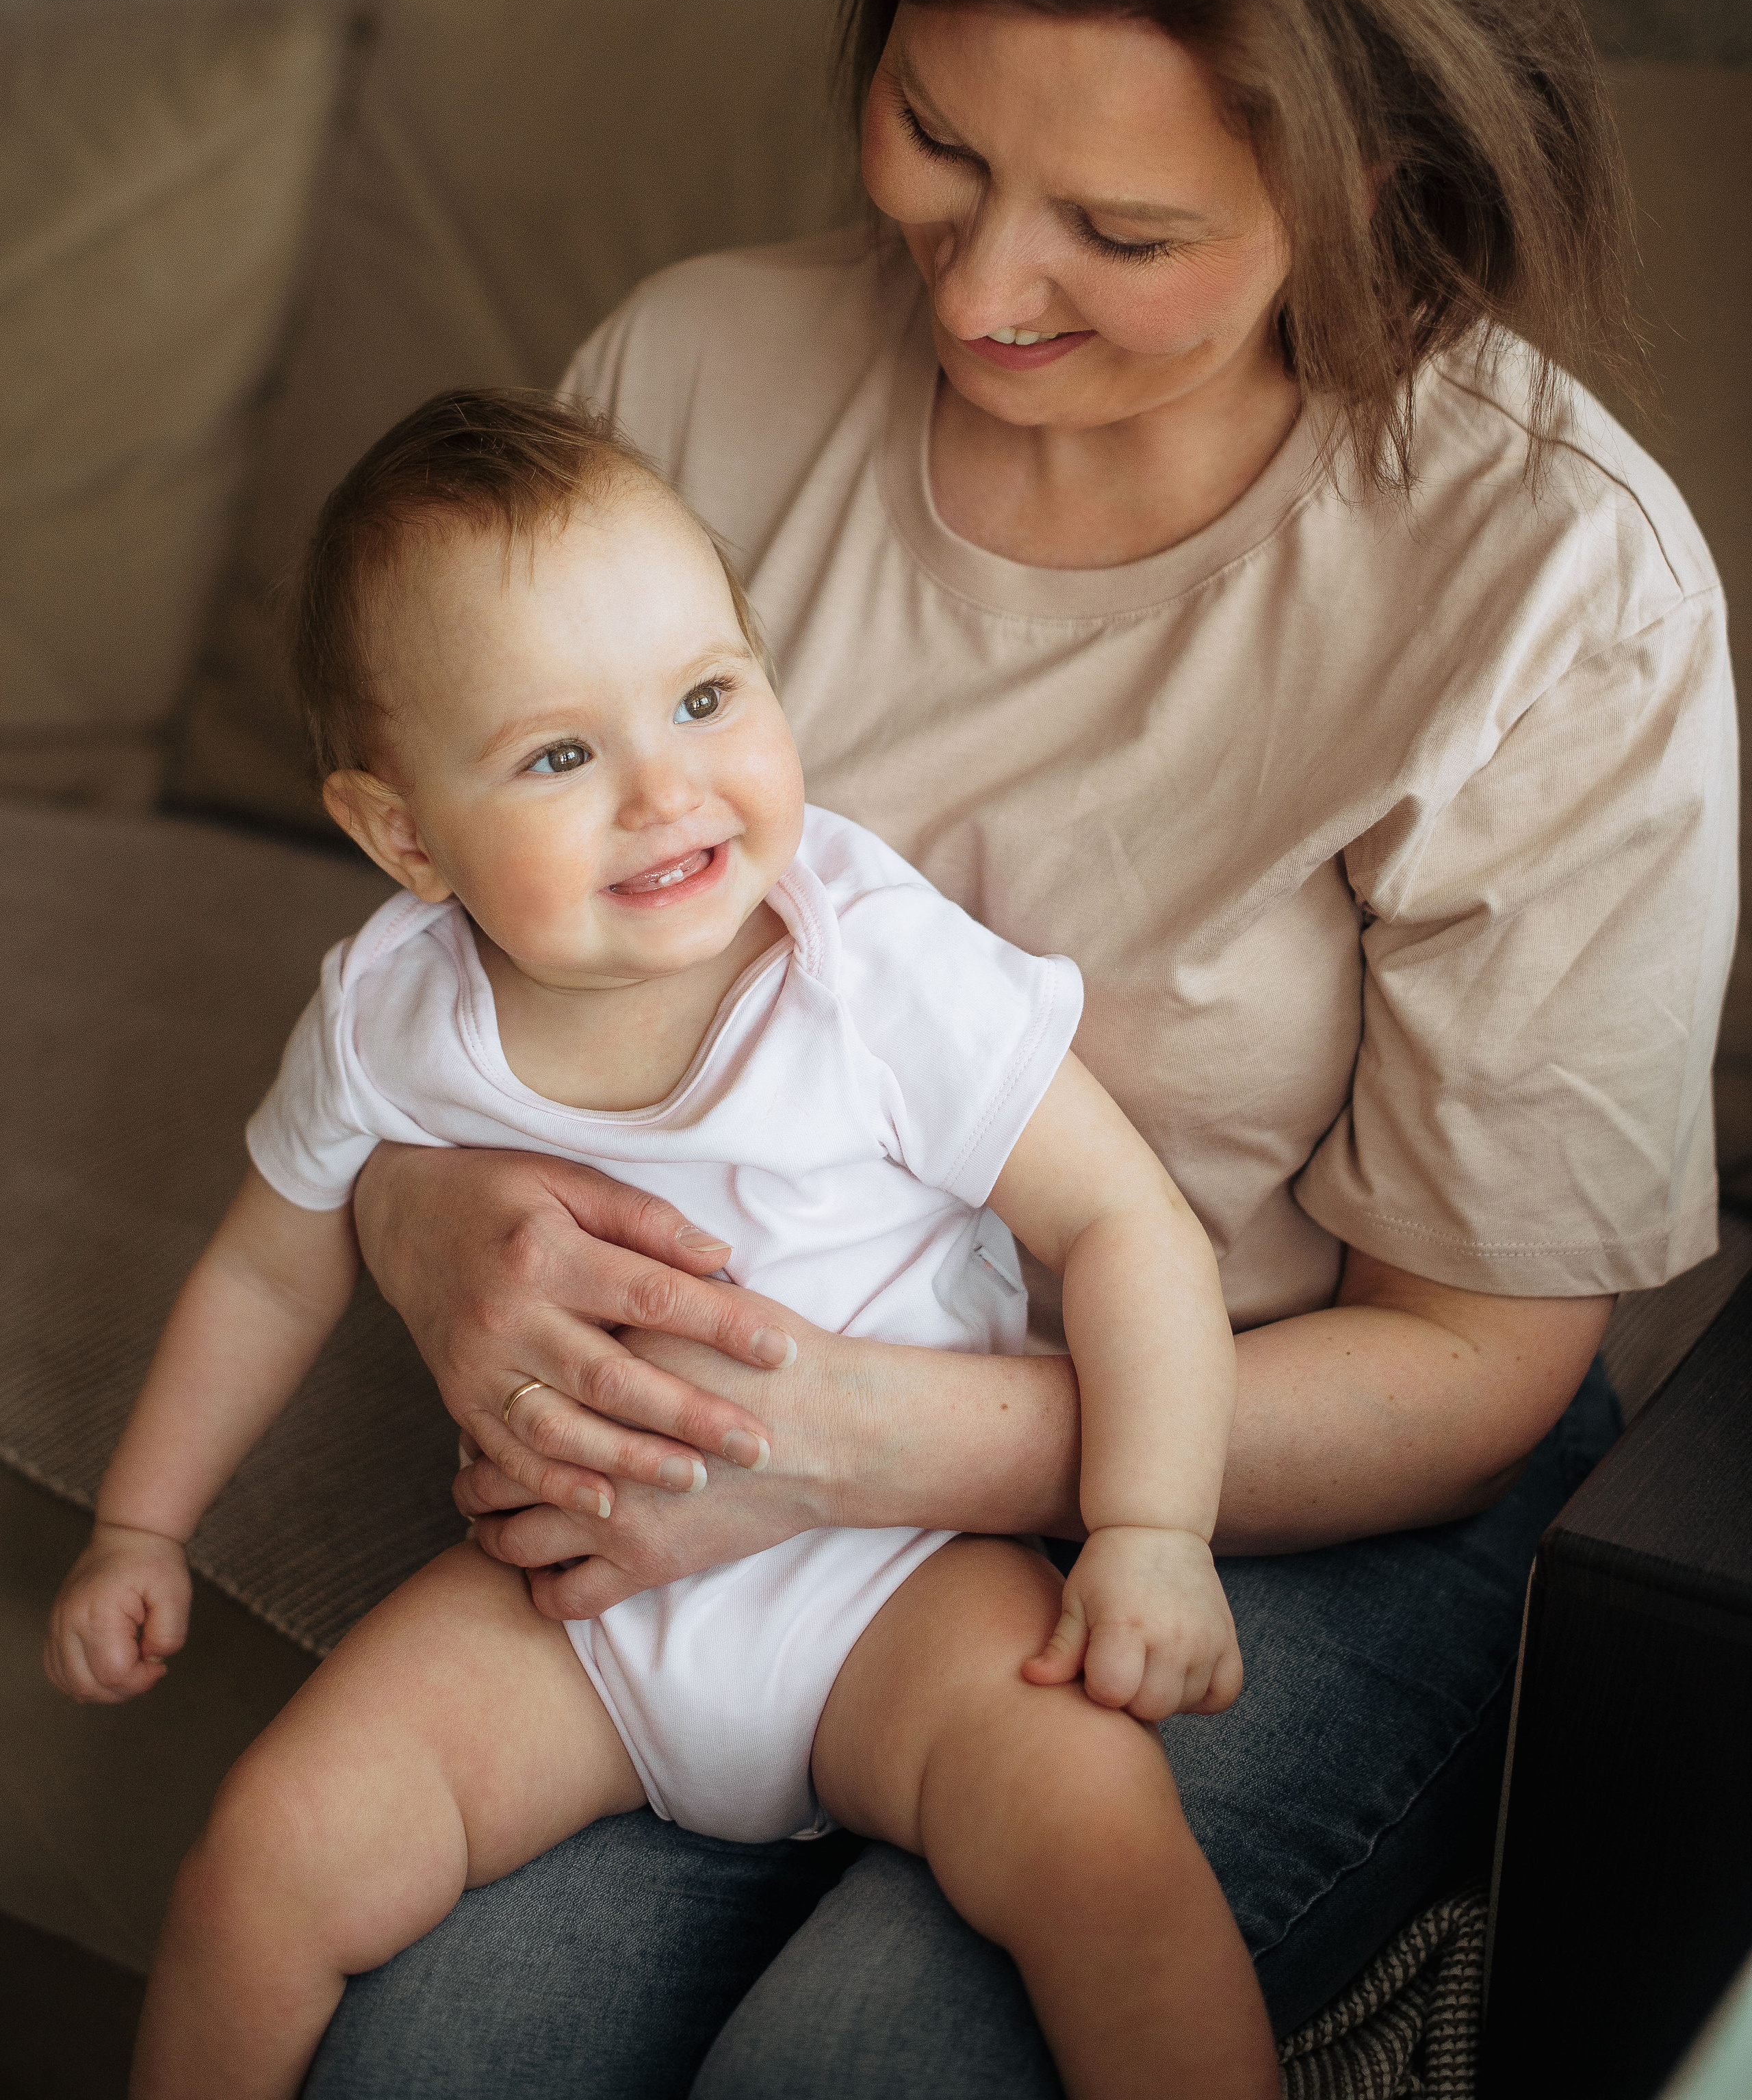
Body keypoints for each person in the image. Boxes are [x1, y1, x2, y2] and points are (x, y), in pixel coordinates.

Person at [239, 0, 1737, 2095]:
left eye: (1123, 236)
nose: (989, 287)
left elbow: (1483, 1361)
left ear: (1377, 183)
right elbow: (449, 977)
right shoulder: (686, 383)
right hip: (748, 1495)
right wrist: (428, 1230)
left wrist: (860, 1443)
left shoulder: (1547, 584)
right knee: (428, 2055)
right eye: (941, 140)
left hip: (1299, 1486)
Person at [45, 390, 1280, 2100]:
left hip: (901, 1587)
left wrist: (1150, 1531)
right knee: (264, 1859)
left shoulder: (861, 967)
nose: (666, 790)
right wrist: (140, 1524)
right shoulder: (390, 1012)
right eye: (561, 755)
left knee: (1100, 1858)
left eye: (706, 697)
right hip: (568, 1605)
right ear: (403, 836)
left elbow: (1124, 1223)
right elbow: (271, 1262)